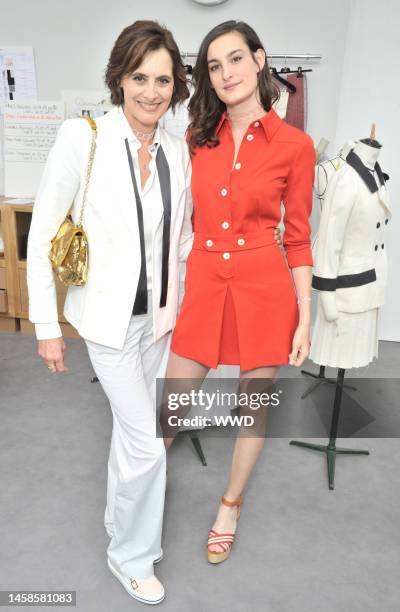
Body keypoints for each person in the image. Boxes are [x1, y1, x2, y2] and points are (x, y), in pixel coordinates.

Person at [27, 20, 194, 606]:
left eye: (164, 79)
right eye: (140, 77)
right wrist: (47, 328)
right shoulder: (85, 137)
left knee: (133, 435)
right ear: (119, 79)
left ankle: (118, 524)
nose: (152, 91)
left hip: (160, 323)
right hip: (107, 324)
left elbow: (182, 240)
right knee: (149, 442)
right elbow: (44, 233)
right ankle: (130, 557)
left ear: (177, 87)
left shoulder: (177, 149)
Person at [163, 20, 315, 564]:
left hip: (264, 286)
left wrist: (305, 317)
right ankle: (141, 489)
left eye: (234, 59)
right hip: (205, 281)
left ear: (259, 60)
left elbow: (297, 237)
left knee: (253, 408)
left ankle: (231, 503)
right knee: (171, 409)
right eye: (213, 65)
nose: (225, 73)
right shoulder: (195, 139)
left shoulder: (296, 146)